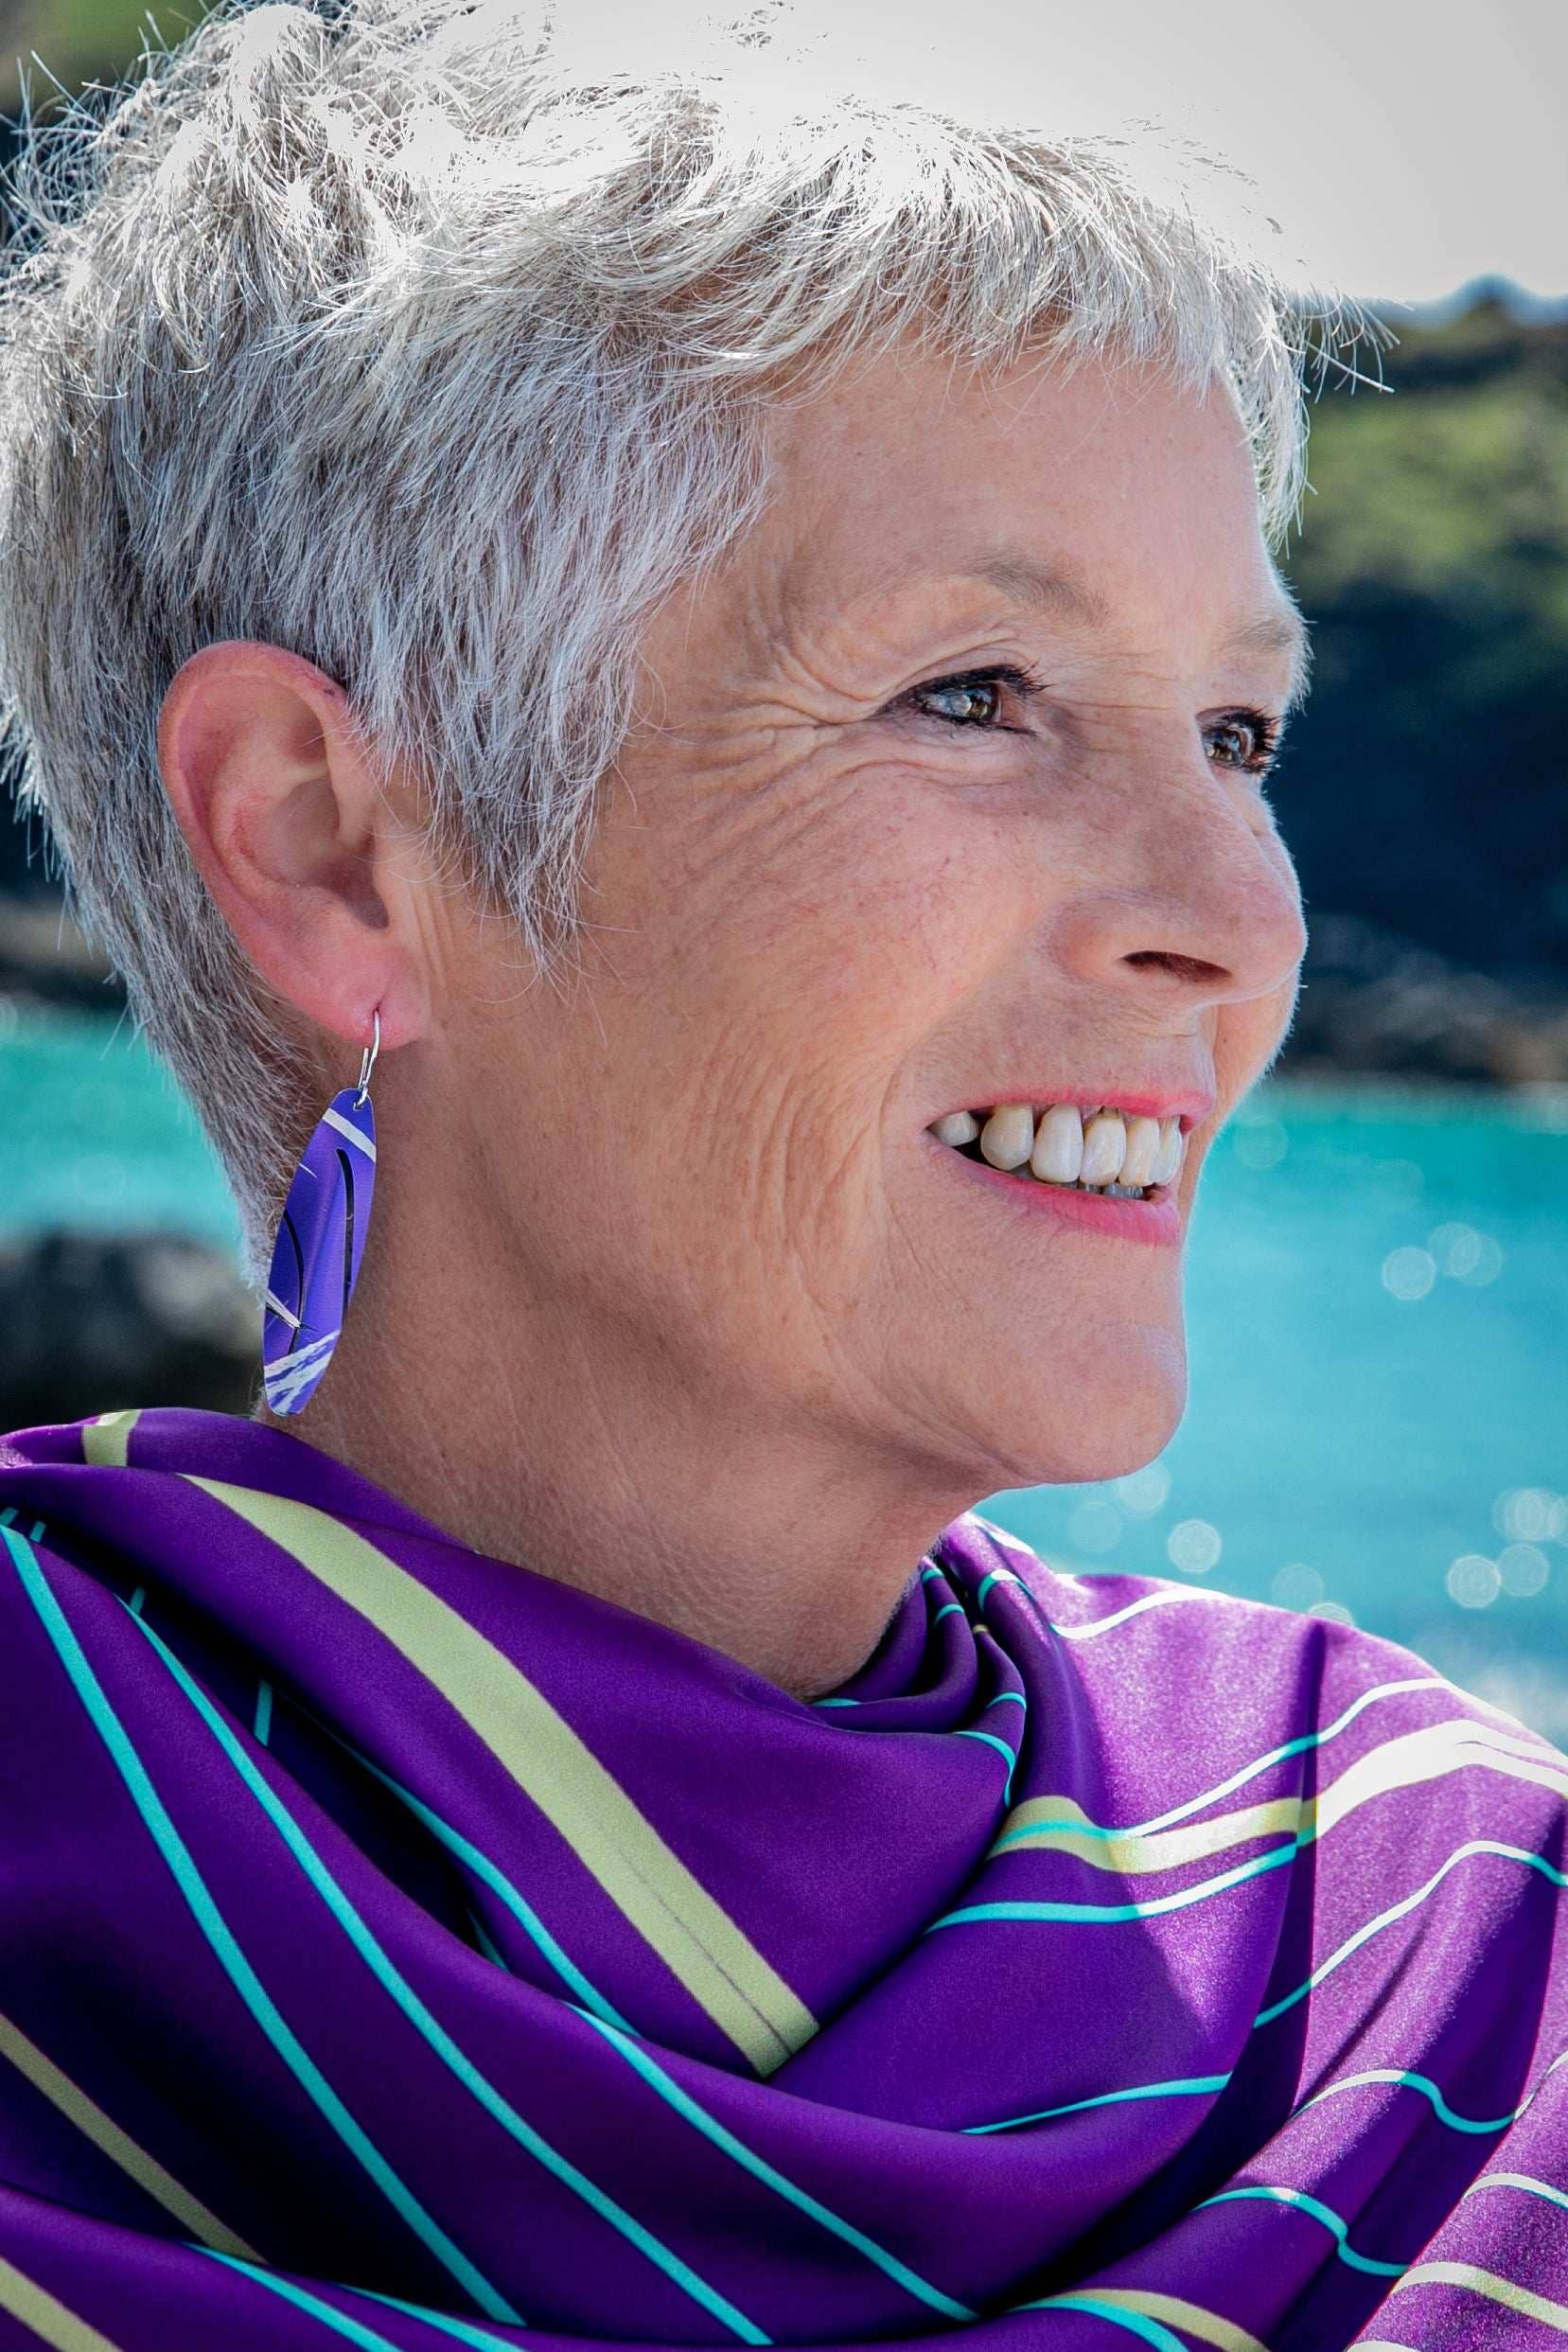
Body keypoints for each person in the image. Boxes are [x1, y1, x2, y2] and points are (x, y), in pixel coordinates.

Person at [0, 4, 1563, 2346]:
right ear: (328, 844)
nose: (1238, 920)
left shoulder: (1461, 1936)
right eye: (976, 694)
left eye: (1238, 730)